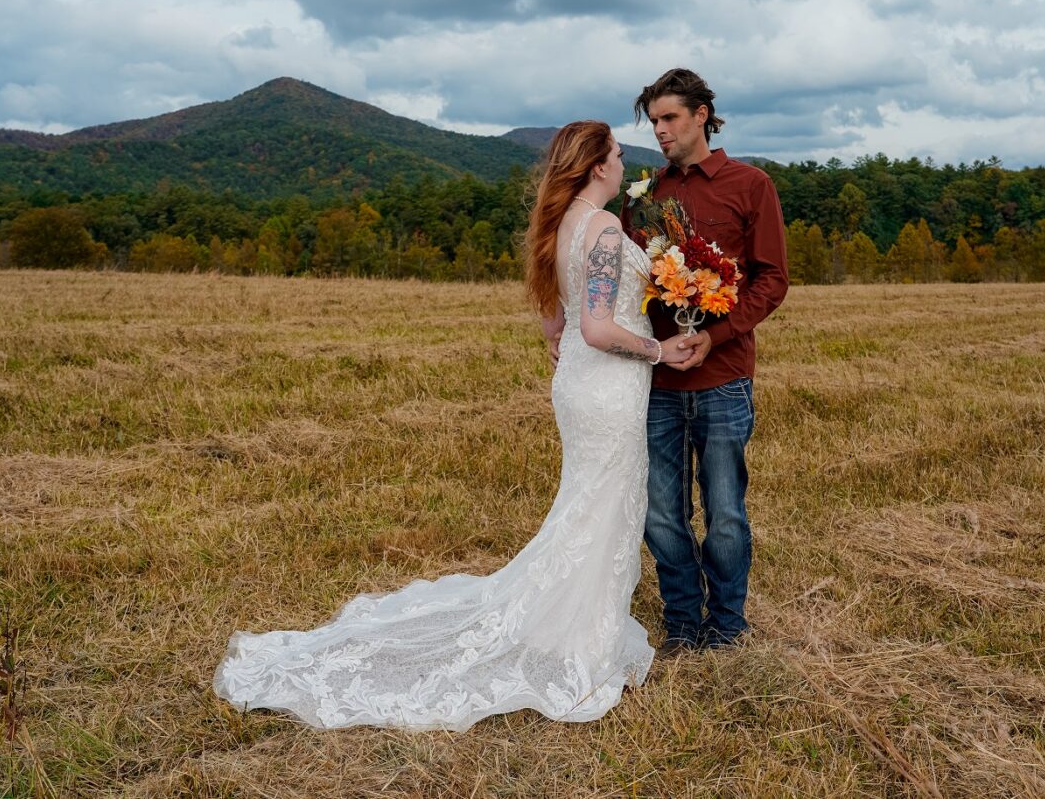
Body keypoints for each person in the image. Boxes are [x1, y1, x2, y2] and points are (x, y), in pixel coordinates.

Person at [214, 121, 691, 731]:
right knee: (601, 503)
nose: (625, 163)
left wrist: (565, 343)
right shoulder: (601, 228)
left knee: (588, 502)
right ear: (598, 165)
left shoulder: (558, 224)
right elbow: (598, 327)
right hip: (607, 385)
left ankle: (569, 624)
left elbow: (558, 319)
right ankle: (578, 641)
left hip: (579, 381)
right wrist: (659, 352)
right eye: (619, 154)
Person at [623, 68, 789, 656]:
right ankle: (683, 622)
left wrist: (715, 339)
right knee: (662, 513)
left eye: (670, 118)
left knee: (725, 512)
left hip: (723, 378)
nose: (660, 131)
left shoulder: (750, 185)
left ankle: (726, 625)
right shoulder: (645, 198)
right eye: (654, 121)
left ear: (701, 115)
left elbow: (773, 280)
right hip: (658, 381)